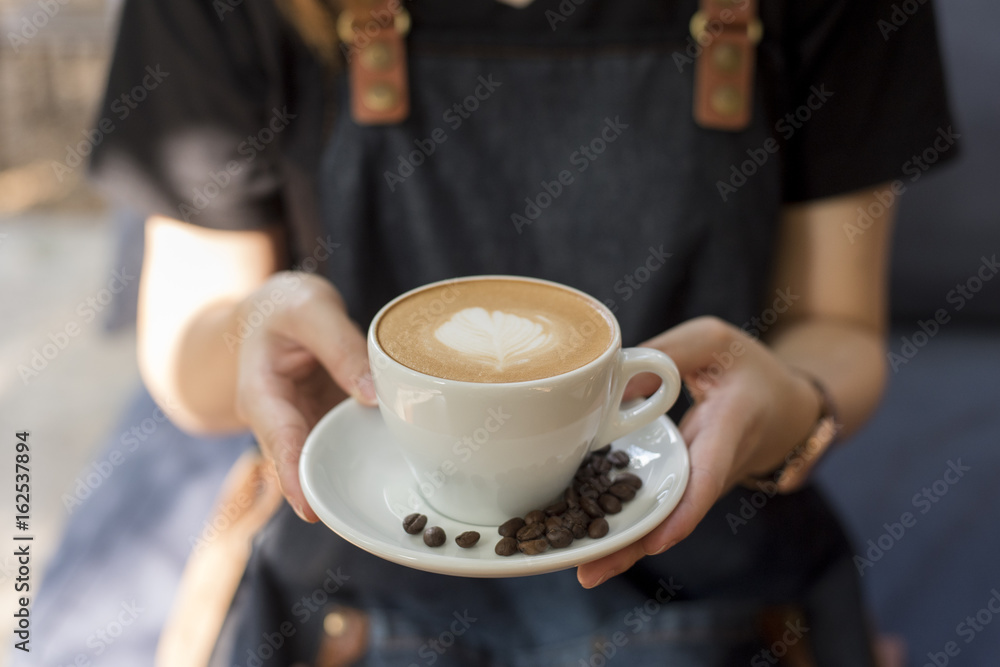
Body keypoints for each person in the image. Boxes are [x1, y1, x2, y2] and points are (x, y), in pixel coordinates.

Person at [82, 0, 955, 664]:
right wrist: (251, 331)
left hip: (732, 586)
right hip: (350, 602)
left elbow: (837, 328)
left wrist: (796, 407)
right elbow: (188, 344)